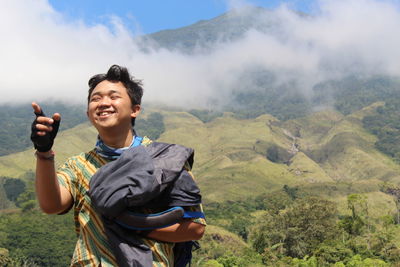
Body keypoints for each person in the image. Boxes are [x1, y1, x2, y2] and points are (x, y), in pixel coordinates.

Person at [31, 64, 206, 266]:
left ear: (135, 110)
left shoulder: (166, 160)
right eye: (95, 99)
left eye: (113, 97)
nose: (103, 103)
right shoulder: (79, 165)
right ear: (88, 114)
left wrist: (133, 224)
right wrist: (43, 151)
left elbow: (195, 228)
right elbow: (51, 205)